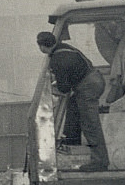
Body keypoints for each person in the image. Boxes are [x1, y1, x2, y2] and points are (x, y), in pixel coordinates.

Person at [37, 31, 109, 172]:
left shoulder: (57, 59)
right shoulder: (65, 48)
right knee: (77, 110)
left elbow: (64, 88)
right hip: (94, 79)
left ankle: (100, 162)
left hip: (87, 86)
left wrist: (54, 87)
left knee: (90, 124)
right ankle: (75, 141)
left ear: (42, 47)